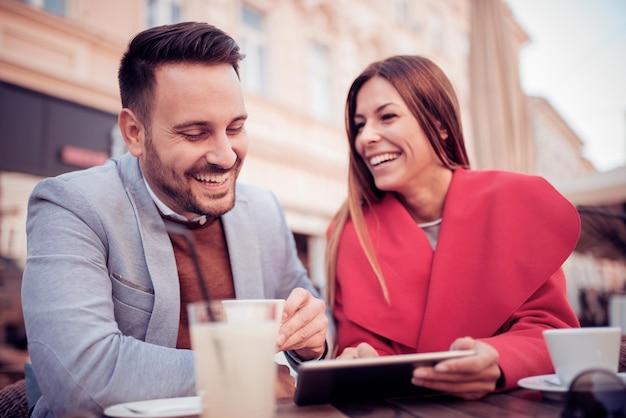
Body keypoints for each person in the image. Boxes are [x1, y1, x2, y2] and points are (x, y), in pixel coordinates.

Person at [21, 22, 329, 417]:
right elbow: (80, 378)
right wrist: (239, 372)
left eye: (235, 127)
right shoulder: (71, 205)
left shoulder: (264, 211)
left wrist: (311, 345)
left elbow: (321, 336)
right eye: (195, 133)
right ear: (135, 133)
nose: (226, 155)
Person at [325, 55, 580, 400]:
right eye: (359, 125)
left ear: (440, 124)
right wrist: (360, 357)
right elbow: (360, 341)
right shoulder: (349, 234)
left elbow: (548, 328)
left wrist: (501, 360)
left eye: (387, 116)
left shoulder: (515, 203)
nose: (365, 138)